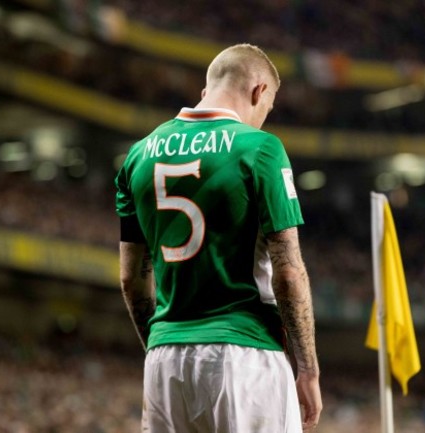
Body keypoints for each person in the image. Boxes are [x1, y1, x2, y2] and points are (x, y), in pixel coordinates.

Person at [115, 43, 322, 433]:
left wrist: (161, 345)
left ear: (206, 90)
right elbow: (289, 274)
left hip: (163, 359)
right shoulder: (260, 149)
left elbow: (131, 279)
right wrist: (308, 369)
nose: (263, 118)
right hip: (244, 353)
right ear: (259, 91)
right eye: (268, 107)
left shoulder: (137, 156)